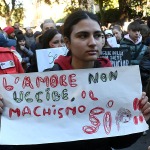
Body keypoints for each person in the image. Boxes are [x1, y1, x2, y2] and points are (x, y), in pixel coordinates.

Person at [0, 10, 150, 150]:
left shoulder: (115, 83)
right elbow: (28, 140)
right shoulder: (45, 84)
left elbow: (117, 143)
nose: (93, 42)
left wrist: (138, 120)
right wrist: (4, 117)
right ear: (67, 42)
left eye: (98, 35)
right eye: (83, 36)